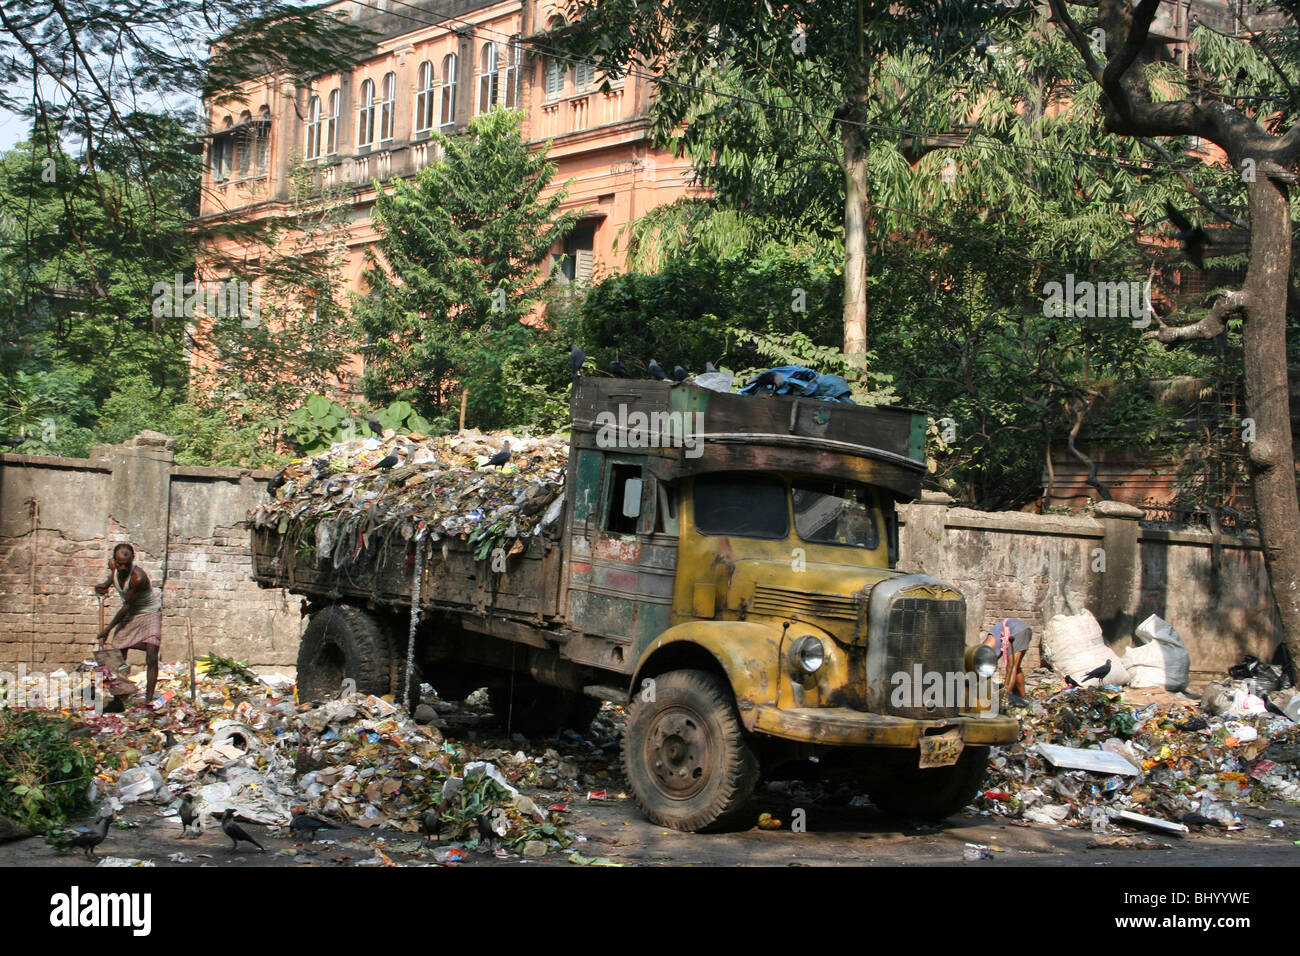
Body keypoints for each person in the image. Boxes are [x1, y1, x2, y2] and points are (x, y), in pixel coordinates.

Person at [93, 543, 163, 702]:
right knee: (118, 648)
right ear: (114, 561)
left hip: (149, 613)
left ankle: (148, 701)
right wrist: (105, 585)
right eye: (119, 564)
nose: (123, 567)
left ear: (133, 560)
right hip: (132, 611)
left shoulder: (138, 577)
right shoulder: (113, 566)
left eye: (127, 564)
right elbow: (114, 577)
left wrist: (108, 629)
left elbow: (126, 606)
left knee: (152, 656)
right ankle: (120, 695)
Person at [982, 617, 1032, 703]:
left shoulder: (985, 650)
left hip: (1018, 631)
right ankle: (1023, 696)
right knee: (1016, 667)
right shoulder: (986, 648)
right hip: (1023, 629)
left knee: (1011, 667)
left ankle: (1004, 697)